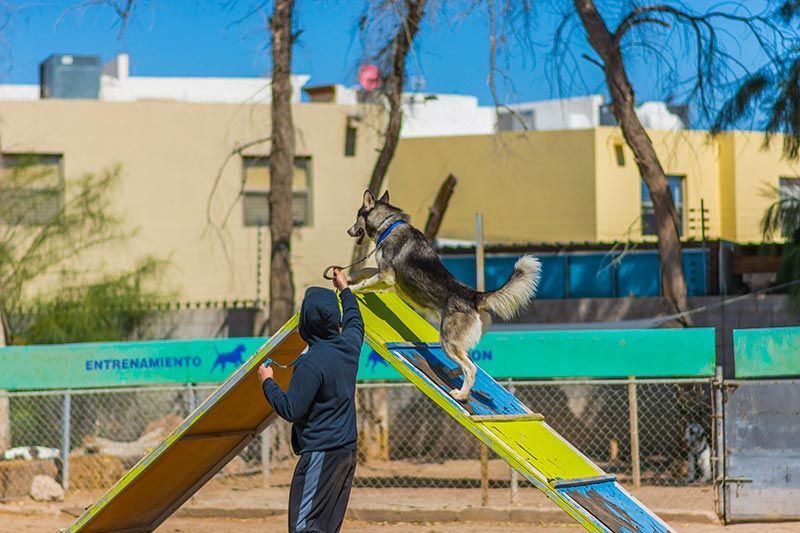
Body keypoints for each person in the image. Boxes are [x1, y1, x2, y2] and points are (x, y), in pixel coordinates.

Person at [257, 268, 363, 533]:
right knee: (327, 526)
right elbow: (355, 321)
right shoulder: (349, 345)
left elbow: (290, 409)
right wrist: (345, 290)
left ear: (307, 321)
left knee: (305, 526)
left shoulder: (310, 363)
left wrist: (267, 382)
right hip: (346, 451)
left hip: (321, 452)